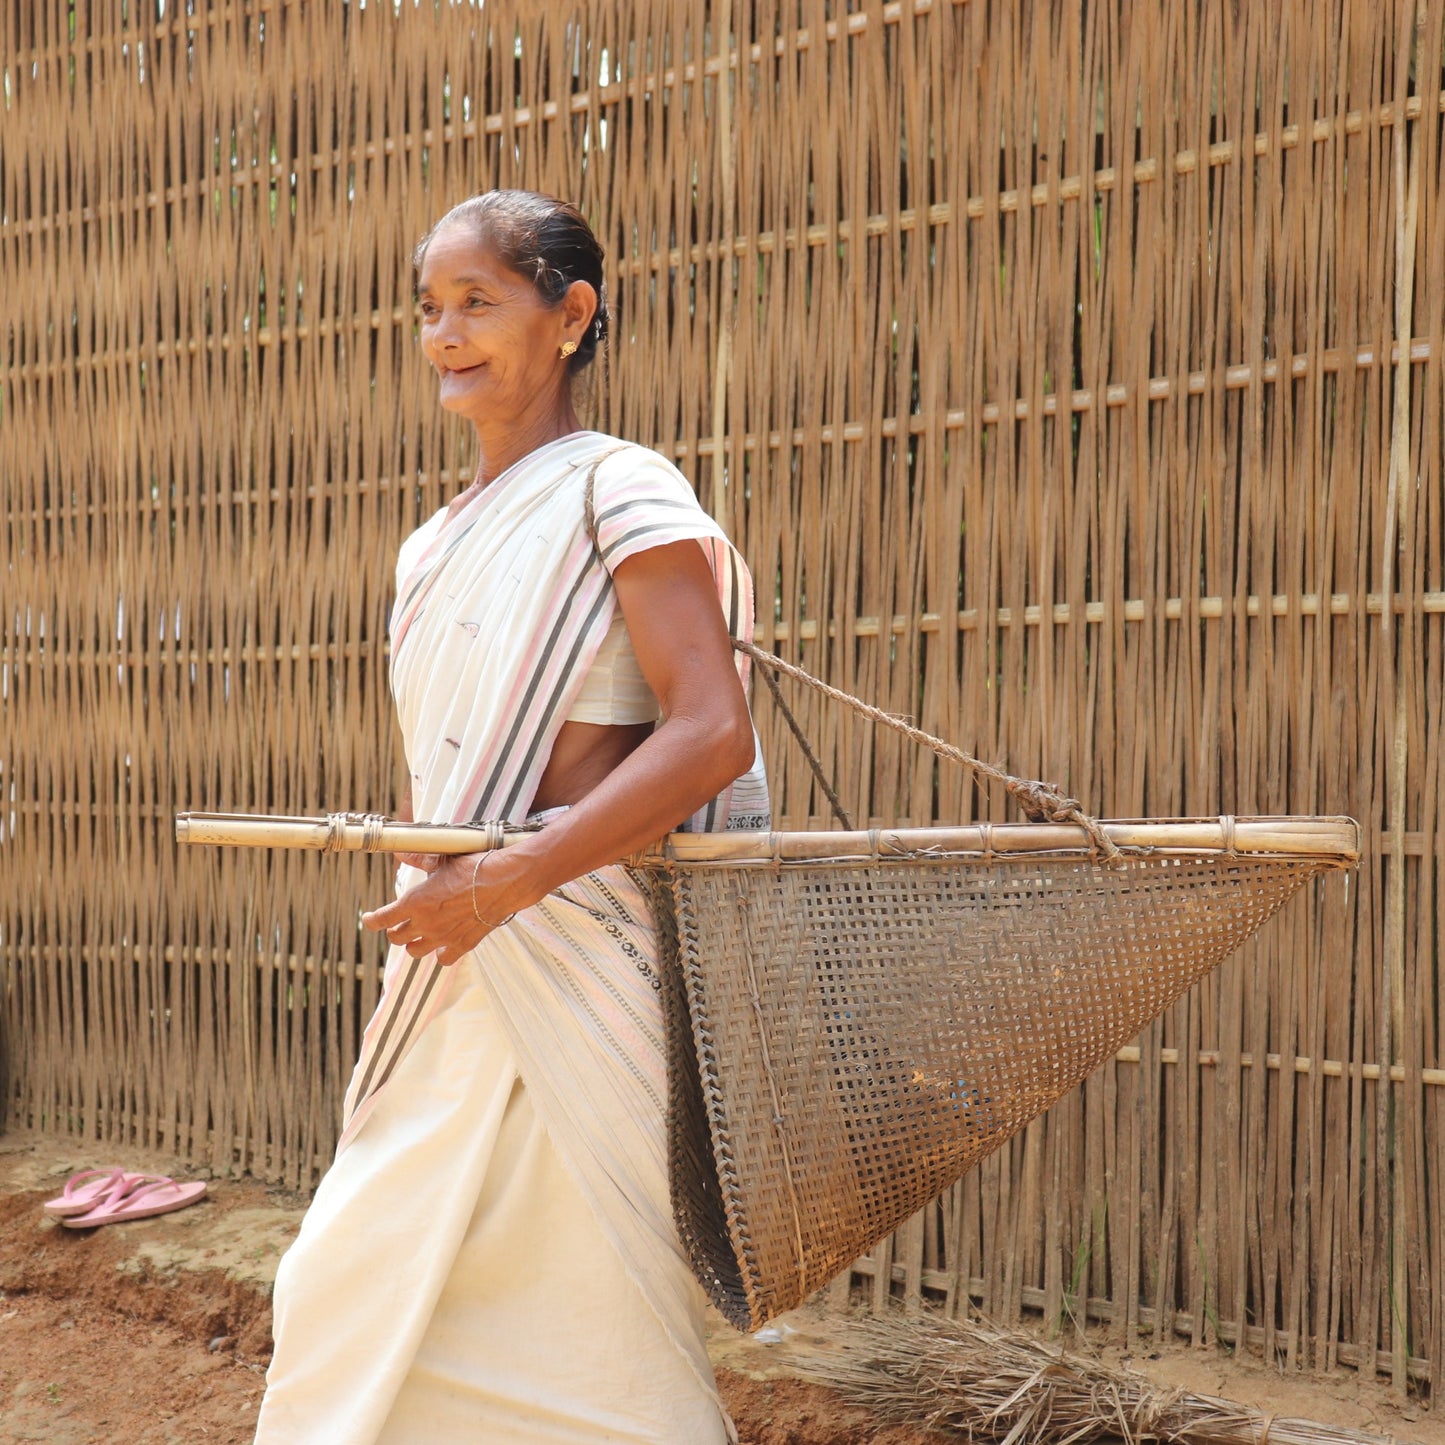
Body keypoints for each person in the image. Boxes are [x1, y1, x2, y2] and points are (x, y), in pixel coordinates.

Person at [253, 189, 771, 1444]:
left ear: (571, 314)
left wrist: (504, 881)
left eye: (478, 301)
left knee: (575, 1313)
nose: (444, 332)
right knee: (354, 1285)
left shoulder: (620, 488)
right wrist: (427, 857)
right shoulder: (427, 549)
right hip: (459, 964)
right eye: (430, 308)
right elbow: (456, 768)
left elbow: (711, 731)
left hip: (578, 963)